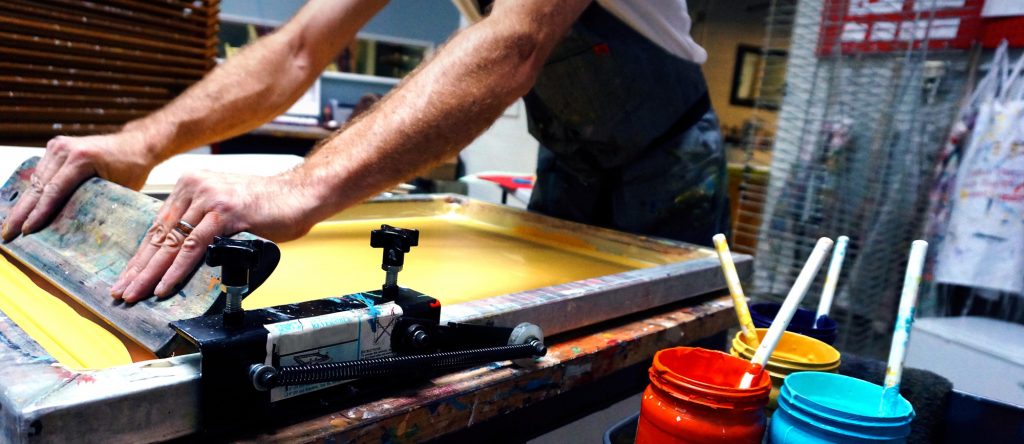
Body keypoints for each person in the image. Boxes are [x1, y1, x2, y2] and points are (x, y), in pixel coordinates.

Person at [1, 0, 728, 303]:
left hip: (669, 156)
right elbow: (298, 48)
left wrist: (301, 186)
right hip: (568, 156)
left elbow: (517, 41)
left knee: (659, 342)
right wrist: (140, 144)